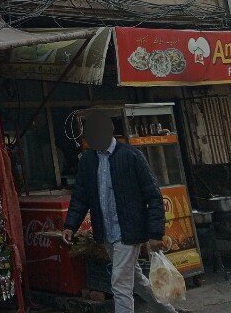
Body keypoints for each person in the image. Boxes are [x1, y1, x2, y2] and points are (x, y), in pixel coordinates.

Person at [62, 111, 176, 313]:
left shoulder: (131, 155)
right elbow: (81, 196)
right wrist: (70, 225)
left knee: (120, 284)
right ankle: (167, 310)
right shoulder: (88, 161)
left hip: (129, 231)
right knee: (135, 279)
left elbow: (153, 196)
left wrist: (155, 233)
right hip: (107, 233)